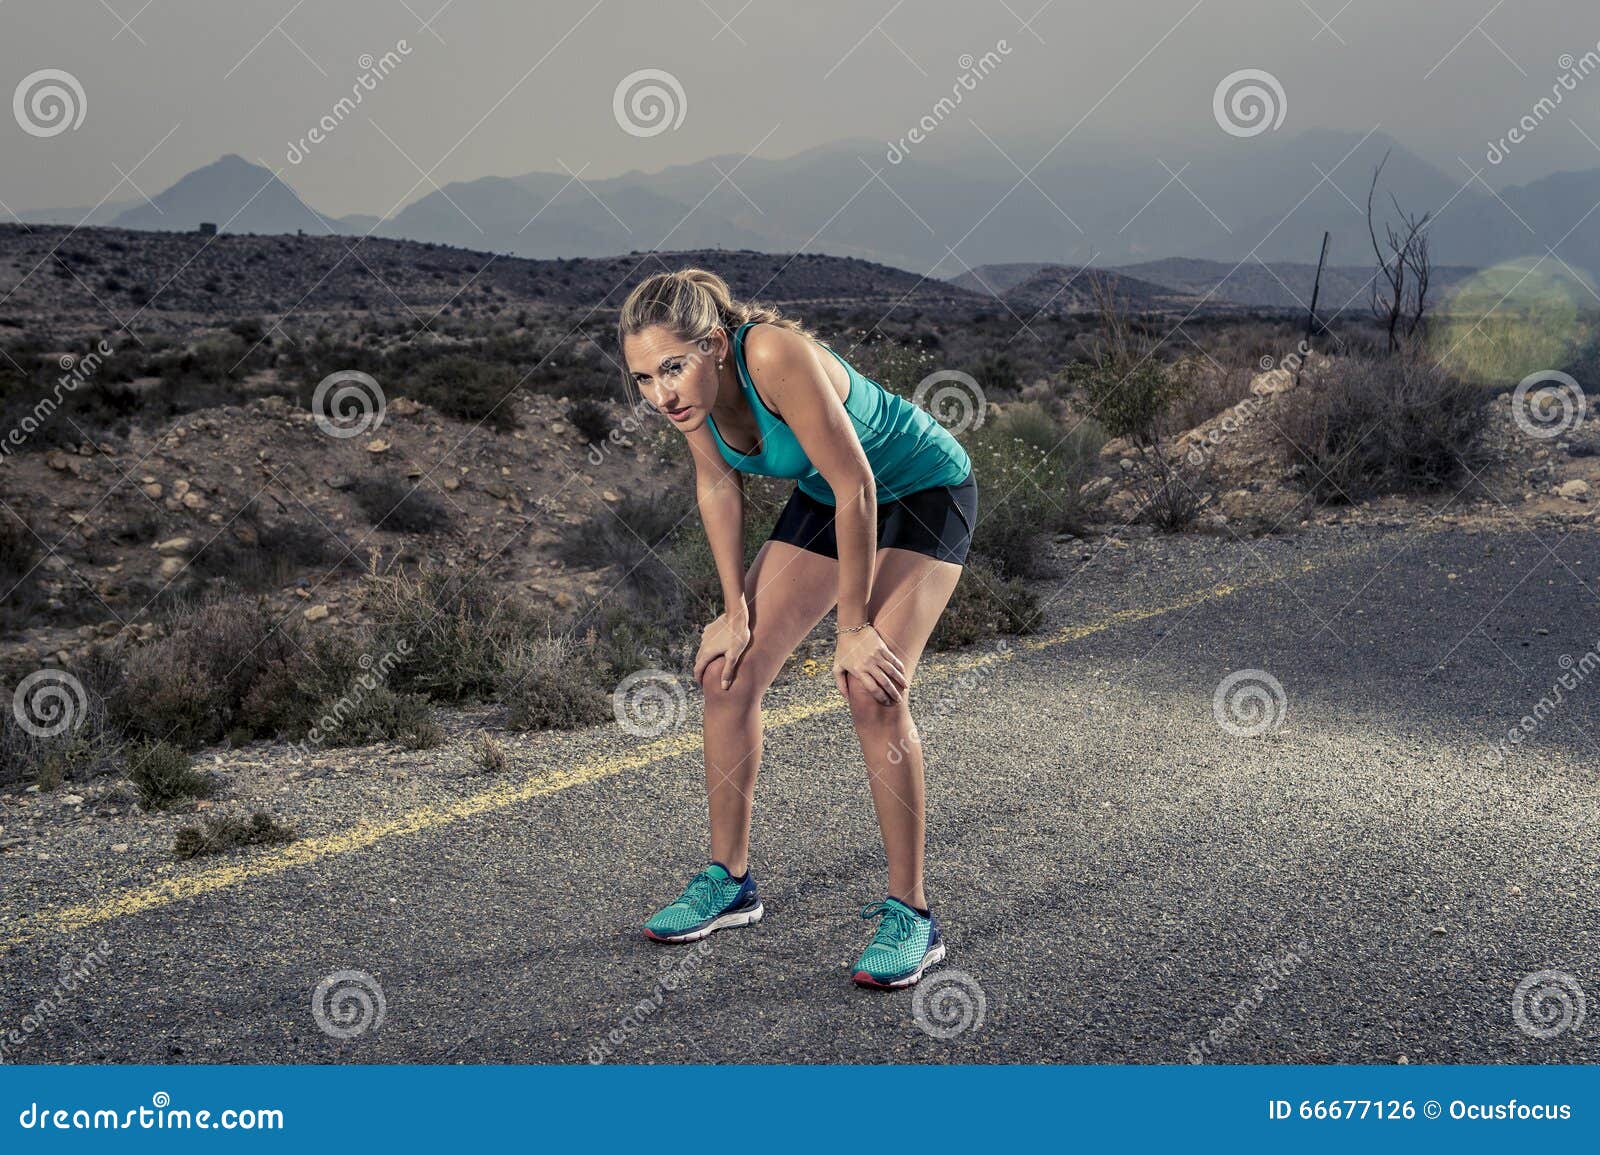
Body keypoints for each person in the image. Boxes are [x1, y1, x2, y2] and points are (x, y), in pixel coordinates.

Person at [616, 268, 977, 989]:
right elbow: (718, 483)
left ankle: (912, 914)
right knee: (728, 670)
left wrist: (853, 627)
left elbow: (860, 486)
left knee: (870, 686)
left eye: (674, 368)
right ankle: (730, 880)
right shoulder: (692, 406)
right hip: (832, 495)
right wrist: (734, 610)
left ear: (715, 344)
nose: (663, 394)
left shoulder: (773, 355)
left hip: (921, 488)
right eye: (644, 379)